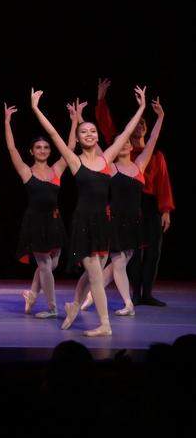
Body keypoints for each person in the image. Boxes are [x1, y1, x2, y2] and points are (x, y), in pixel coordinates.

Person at [31, 86, 146, 336]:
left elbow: (127, 131)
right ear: (79, 137)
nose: (89, 134)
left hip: (104, 223)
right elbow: (53, 134)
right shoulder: (75, 161)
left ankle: (73, 305)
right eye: (84, 131)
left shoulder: (107, 158)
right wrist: (36, 109)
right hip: (82, 223)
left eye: (93, 131)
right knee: (95, 275)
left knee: (91, 271)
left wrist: (142, 108)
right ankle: (105, 324)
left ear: (97, 136)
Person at [83, 97, 165, 316]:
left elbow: (153, 140)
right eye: (121, 140)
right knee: (119, 263)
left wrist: (160, 117)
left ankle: (91, 294)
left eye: (128, 139)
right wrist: (79, 120)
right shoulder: (109, 167)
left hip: (135, 222)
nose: (126, 142)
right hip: (114, 221)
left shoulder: (140, 165)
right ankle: (128, 304)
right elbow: (94, 144)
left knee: (117, 264)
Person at [96, 78, 174, 306]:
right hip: (130, 204)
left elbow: (163, 183)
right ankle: (135, 293)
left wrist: (166, 210)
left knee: (153, 250)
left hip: (151, 205)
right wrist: (101, 99)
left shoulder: (153, 155)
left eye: (143, 124)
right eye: (136, 123)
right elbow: (105, 124)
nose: (139, 126)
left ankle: (146, 293)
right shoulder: (121, 151)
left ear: (146, 129)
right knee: (133, 252)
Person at [4, 100, 81, 318]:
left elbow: (71, 147)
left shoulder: (57, 169)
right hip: (35, 222)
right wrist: (7, 121)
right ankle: (53, 307)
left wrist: (74, 121)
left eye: (46, 147)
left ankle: (32, 294)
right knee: (45, 265)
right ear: (31, 151)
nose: (43, 150)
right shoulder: (26, 172)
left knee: (51, 264)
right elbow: (11, 148)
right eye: (38, 147)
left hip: (55, 221)